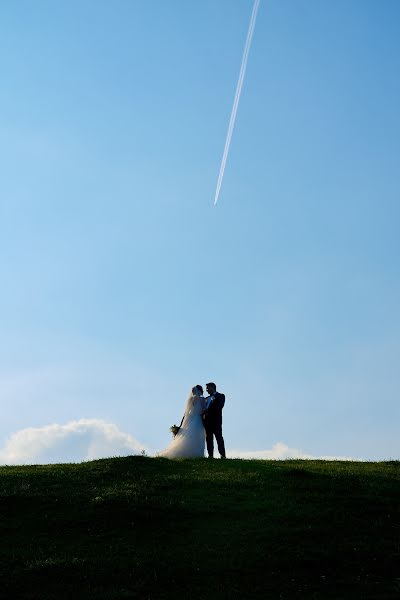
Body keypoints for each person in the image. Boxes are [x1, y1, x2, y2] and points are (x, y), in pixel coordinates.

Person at [158, 385, 206, 458]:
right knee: (198, 436)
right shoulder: (202, 399)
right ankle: (197, 454)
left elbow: (187, 412)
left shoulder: (190, 399)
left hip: (190, 418)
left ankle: (188, 452)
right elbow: (204, 409)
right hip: (198, 419)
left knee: (189, 435)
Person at [203, 382, 226, 459]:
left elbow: (219, 407)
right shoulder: (206, 399)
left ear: (212, 387)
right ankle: (210, 456)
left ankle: (222, 455)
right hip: (207, 422)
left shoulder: (221, 396)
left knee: (219, 438)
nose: (206, 390)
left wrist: (207, 411)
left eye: (207, 388)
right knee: (209, 439)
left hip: (216, 421)